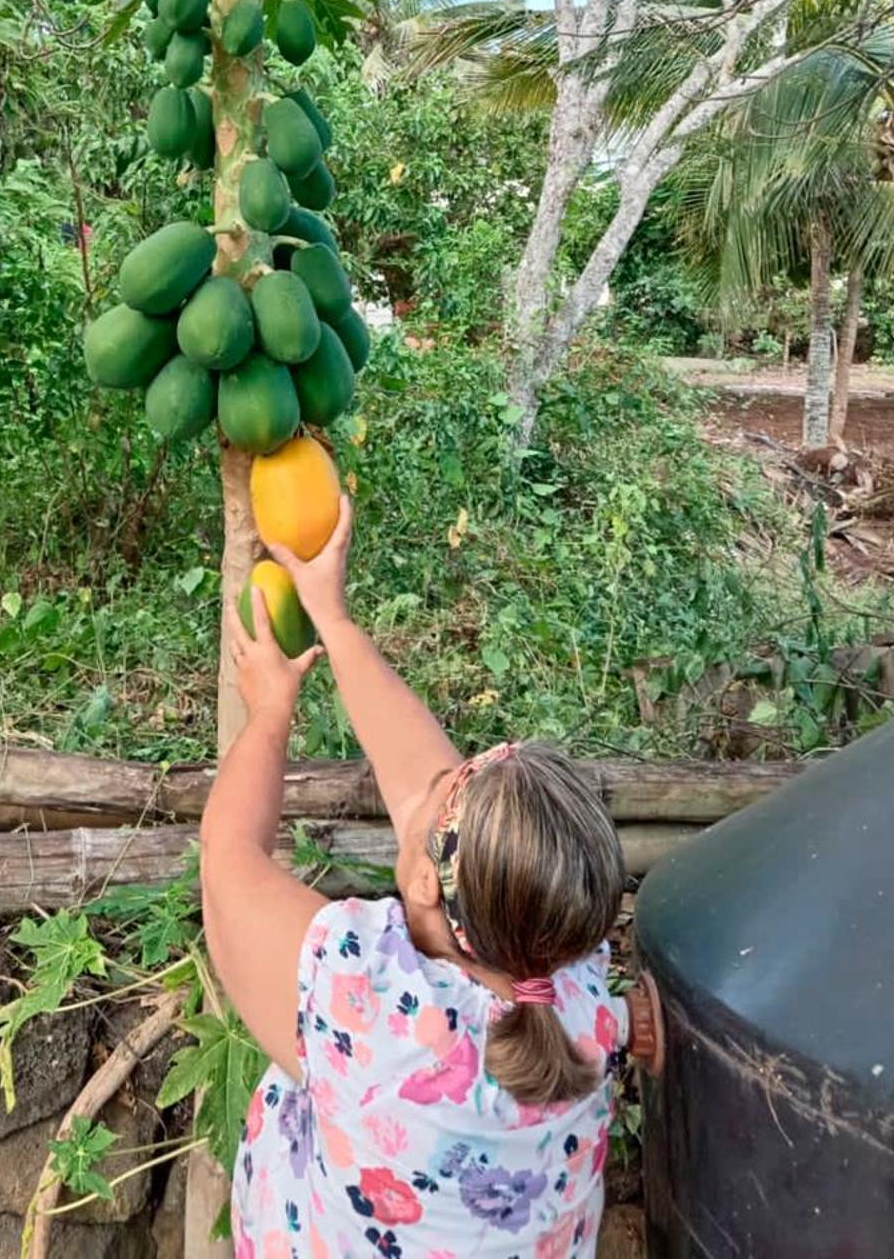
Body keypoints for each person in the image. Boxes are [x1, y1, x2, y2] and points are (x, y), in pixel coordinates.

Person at [201, 495, 627, 1259]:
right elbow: (419, 786)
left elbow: (229, 861)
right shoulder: (579, 998)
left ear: (431, 883)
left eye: (433, 796)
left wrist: (270, 712)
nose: (420, 784)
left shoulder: (366, 1012)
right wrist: (331, 618)